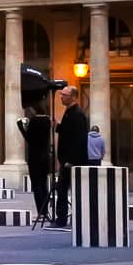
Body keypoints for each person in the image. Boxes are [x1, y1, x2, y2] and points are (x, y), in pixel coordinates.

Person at [53, 85, 89, 228]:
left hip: (72, 161)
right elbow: (68, 132)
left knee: (64, 189)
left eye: (65, 95)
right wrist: (57, 126)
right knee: (63, 189)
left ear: (74, 97)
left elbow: (79, 139)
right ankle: (64, 218)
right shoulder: (69, 112)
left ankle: (62, 219)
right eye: (61, 94)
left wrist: (71, 161)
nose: (61, 97)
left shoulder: (77, 114)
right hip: (66, 160)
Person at [17, 101, 52, 217]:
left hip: (35, 156)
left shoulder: (34, 121)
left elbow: (29, 139)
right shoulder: (47, 120)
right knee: (44, 184)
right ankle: (45, 211)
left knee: (36, 185)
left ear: (33, 109)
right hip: (45, 156)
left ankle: (41, 213)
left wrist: (21, 127)